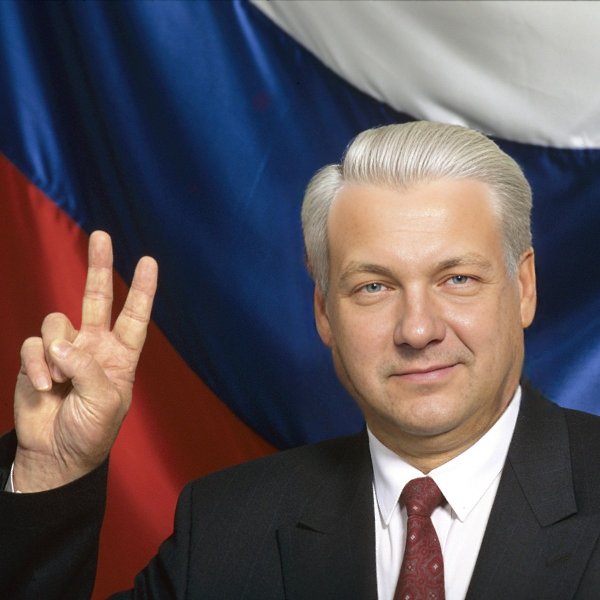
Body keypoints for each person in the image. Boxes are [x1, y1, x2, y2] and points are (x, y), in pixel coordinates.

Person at [2, 121, 600, 599]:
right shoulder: (225, 530)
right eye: (373, 287)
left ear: (523, 287)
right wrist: (52, 470)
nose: (418, 330)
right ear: (323, 312)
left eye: (458, 279)